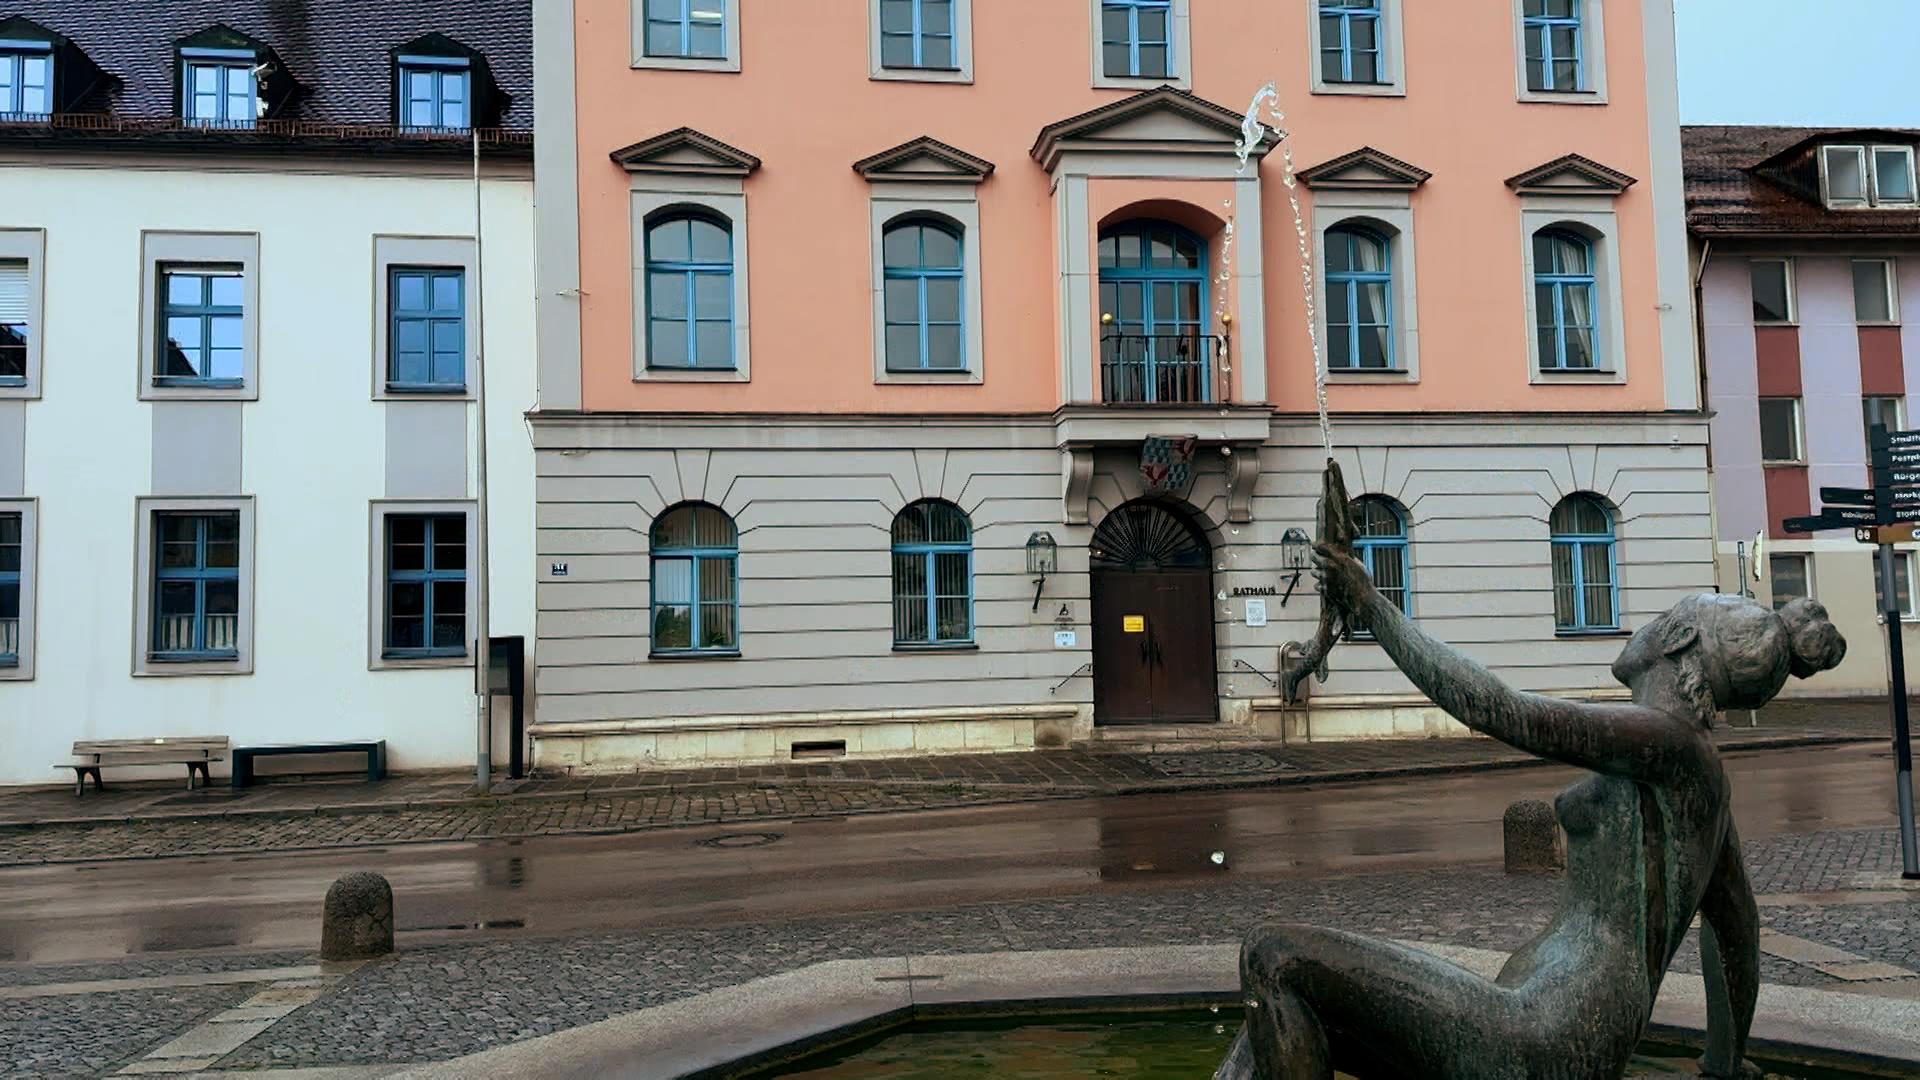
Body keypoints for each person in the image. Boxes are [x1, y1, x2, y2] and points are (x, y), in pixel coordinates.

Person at [1218, 543, 1846, 1080]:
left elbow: (1499, 709)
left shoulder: (1668, 740)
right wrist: (1724, 1062)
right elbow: (1737, 931)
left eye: (1659, 619)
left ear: (1677, 639)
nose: (1644, 627)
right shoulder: (1698, 773)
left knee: (1276, 956)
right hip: (1550, 1026)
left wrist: (1373, 608)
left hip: (1545, 1035)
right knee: (1272, 1016)